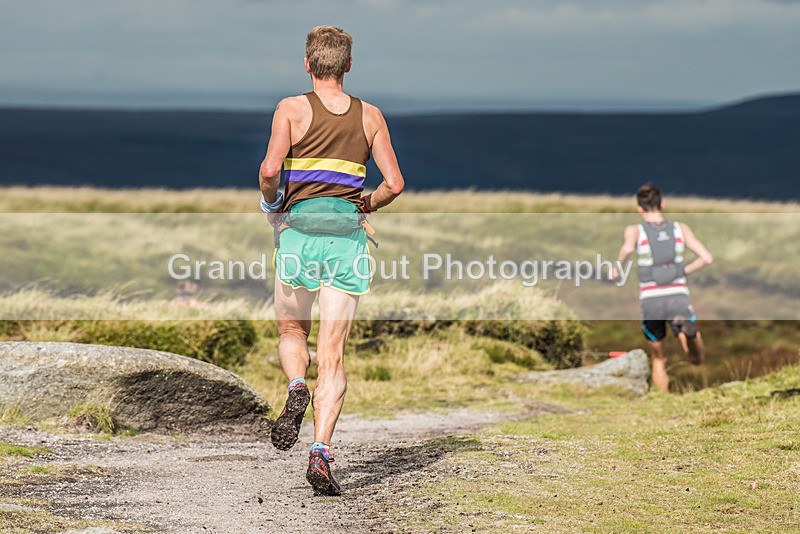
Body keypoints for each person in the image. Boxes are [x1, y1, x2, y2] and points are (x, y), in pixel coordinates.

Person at [257, 26, 404, 496]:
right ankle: (320, 452)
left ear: (307, 64)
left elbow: (268, 171)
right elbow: (394, 183)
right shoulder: (372, 116)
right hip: (347, 243)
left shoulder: (291, 109)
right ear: (348, 65)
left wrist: (272, 207)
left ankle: (296, 384)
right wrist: (367, 204)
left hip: (299, 235)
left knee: (290, 331)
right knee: (334, 354)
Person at [612, 183, 712, 393]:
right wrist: (683, 270)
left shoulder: (635, 231)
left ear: (639, 208)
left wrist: (616, 269)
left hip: (651, 298)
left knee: (658, 357)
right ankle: (690, 337)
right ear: (662, 204)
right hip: (677, 295)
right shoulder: (680, 228)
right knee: (696, 358)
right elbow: (706, 258)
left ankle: (664, 399)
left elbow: (628, 249)